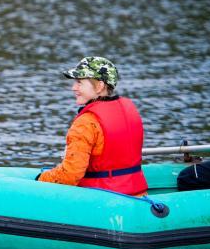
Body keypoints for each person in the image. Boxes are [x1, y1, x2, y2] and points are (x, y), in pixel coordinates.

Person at [37, 56, 148, 196]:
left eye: (79, 82)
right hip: (138, 195)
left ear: (100, 86)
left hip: (100, 198)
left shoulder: (86, 123)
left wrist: (40, 180)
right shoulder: (129, 110)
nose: (74, 88)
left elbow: (70, 175)